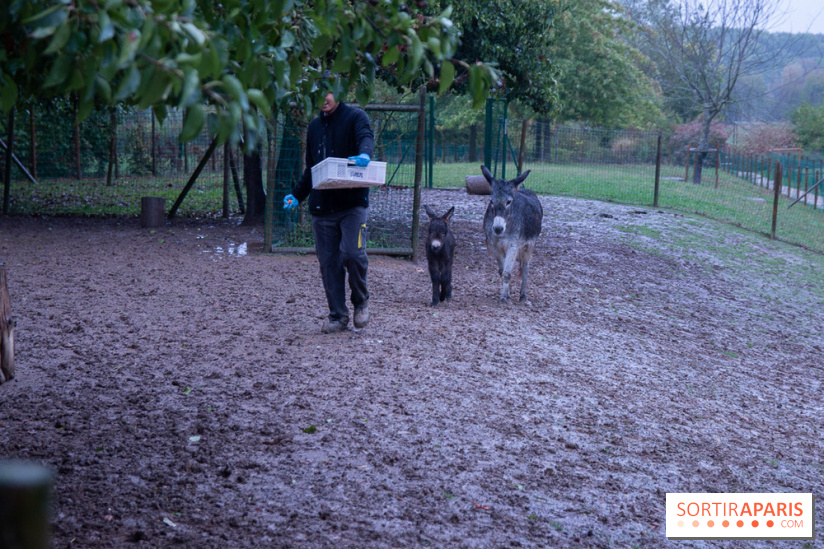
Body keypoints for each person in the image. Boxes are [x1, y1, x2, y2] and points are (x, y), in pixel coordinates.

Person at [283, 91, 375, 333]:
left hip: (352, 204)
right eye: (317, 94)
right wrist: (297, 195)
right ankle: (338, 315)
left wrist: (365, 154)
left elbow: (366, 137)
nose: (323, 99)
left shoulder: (356, 116)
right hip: (322, 207)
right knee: (328, 263)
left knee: (353, 254)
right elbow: (312, 169)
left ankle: (361, 302)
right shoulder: (314, 127)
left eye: (327, 93)